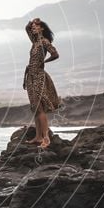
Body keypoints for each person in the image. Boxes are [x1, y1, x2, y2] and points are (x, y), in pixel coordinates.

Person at [23, 17, 60, 148]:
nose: (33, 27)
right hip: (30, 77)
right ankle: (38, 137)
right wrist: (32, 21)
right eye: (33, 26)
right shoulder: (34, 41)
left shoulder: (44, 41)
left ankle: (46, 138)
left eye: (36, 26)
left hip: (39, 75)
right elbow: (27, 28)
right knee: (35, 108)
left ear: (42, 28)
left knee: (40, 107)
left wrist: (44, 62)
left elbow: (55, 54)